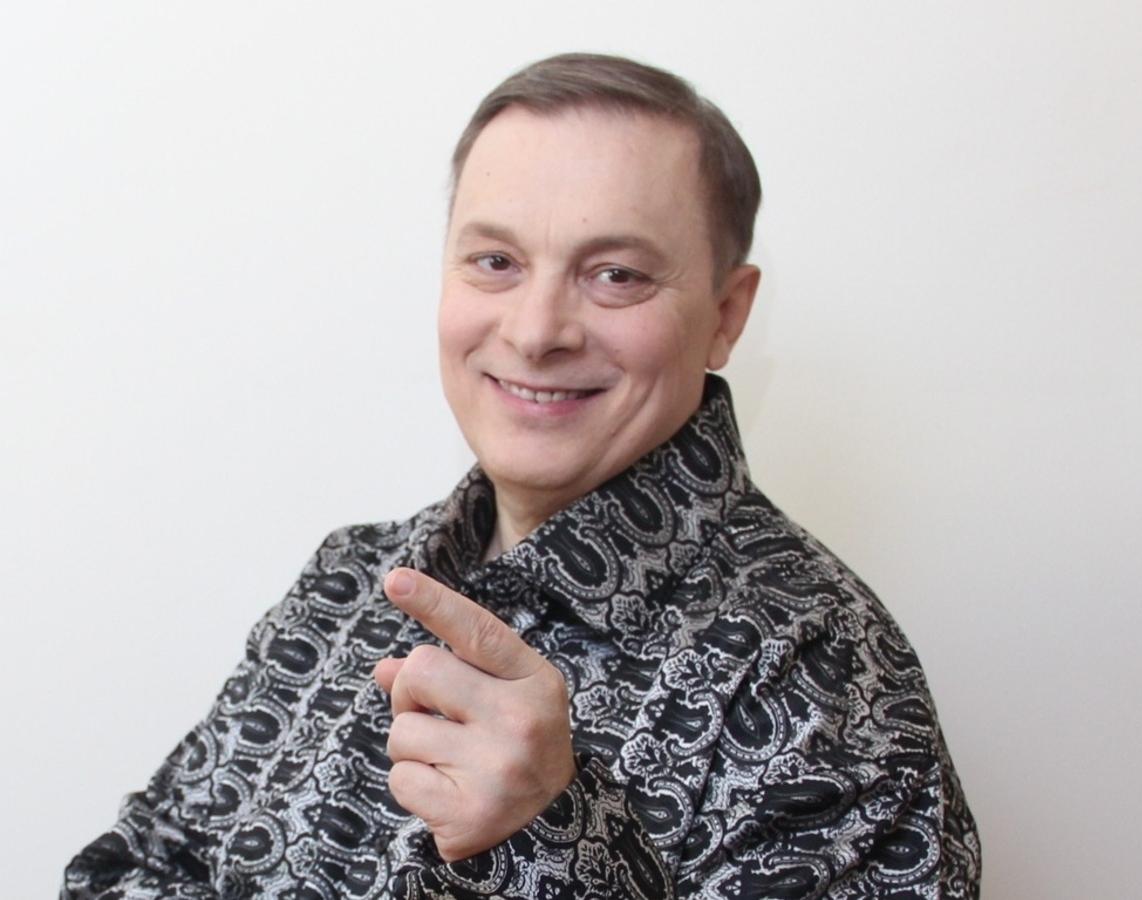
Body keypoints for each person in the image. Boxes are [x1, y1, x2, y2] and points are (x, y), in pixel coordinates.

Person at [63, 53, 981, 898]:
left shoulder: (823, 673)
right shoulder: (347, 578)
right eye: (496, 262)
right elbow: (131, 870)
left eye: (616, 275)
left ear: (725, 316)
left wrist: (555, 838)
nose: (537, 331)